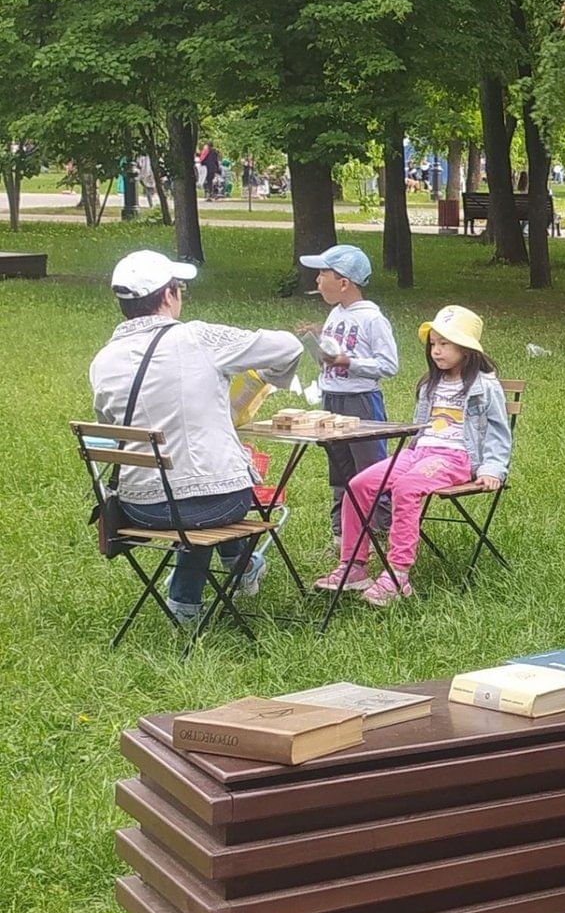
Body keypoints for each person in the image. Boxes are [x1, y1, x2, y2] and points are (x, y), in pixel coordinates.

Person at [88, 251, 300, 626]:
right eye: (179, 288)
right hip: (209, 504)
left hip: (139, 507)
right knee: (206, 499)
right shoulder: (198, 338)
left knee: (193, 494)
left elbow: (107, 421)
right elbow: (289, 346)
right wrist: (270, 374)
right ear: (168, 296)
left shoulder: (103, 360)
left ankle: (241, 566)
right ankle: (189, 600)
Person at [321, 306, 512, 605]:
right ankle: (354, 566)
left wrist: (493, 469)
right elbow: (421, 428)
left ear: (466, 348)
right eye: (433, 344)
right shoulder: (429, 384)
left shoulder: (484, 386)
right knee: (358, 485)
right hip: (419, 452)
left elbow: (500, 433)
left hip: (457, 458)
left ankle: (398, 575)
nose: (436, 351)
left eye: (444, 344)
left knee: (407, 488)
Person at [297, 244, 399, 540]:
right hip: (332, 397)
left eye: (322, 274)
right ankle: (343, 530)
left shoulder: (372, 318)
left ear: (343, 283)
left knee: (369, 466)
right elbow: (330, 353)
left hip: (360, 401)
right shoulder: (334, 314)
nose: (317, 280)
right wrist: (318, 340)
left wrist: (348, 362)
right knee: (339, 464)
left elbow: (388, 365)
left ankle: (380, 526)